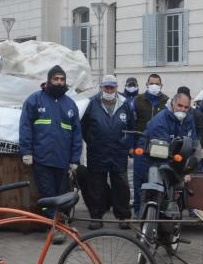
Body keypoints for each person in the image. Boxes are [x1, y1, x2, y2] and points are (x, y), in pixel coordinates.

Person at [19, 65, 83, 244]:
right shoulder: (34, 100)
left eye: (62, 79)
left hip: (63, 161)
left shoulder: (70, 104)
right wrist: (26, 152)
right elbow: (25, 127)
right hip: (42, 159)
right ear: (48, 80)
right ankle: (52, 227)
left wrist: (75, 159)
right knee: (47, 195)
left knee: (63, 195)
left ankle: (62, 224)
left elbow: (76, 134)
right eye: (56, 79)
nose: (59, 82)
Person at [80, 75, 135, 230]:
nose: (109, 90)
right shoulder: (91, 104)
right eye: (106, 87)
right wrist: (92, 141)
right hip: (97, 152)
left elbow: (131, 127)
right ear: (101, 87)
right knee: (96, 186)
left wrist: (127, 144)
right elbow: (83, 126)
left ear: (117, 87)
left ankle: (123, 217)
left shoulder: (125, 104)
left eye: (112, 87)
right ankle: (96, 216)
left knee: (121, 186)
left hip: (119, 152)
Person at [132, 74, 169, 218]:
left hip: (161, 146)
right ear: (147, 84)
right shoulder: (138, 100)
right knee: (139, 180)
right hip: (142, 145)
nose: (154, 85)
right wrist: (132, 145)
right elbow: (132, 123)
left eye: (157, 83)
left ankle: (157, 212)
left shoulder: (167, 101)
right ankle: (137, 211)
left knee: (160, 177)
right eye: (152, 83)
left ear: (161, 85)